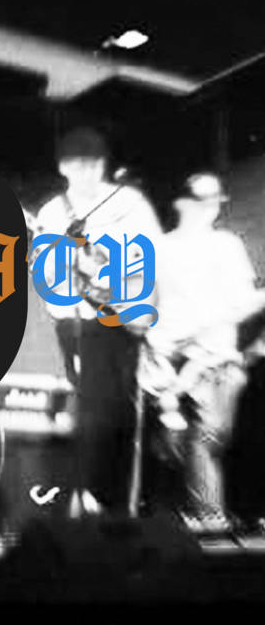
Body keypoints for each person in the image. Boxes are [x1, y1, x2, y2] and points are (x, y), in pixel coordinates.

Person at [31, 126, 163, 516]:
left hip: (126, 321)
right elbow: (48, 279)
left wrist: (104, 274)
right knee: (91, 412)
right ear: (63, 167)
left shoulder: (131, 203)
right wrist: (68, 270)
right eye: (78, 164)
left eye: (94, 164)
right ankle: (91, 501)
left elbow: (153, 261)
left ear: (104, 165)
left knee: (124, 414)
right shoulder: (54, 213)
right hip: (81, 325)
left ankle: (121, 504)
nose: (87, 172)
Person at [138, 172, 265, 531]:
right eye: (201, 199)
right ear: (180, 202)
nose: (211, 207)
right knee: (170, 449)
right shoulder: (159, 248)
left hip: (213, 360)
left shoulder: (226, 245)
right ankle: (186, 527)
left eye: (215, 200)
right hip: (167, 362)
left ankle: (210, 523)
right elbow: (145, 305)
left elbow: (243, 301)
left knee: (203, 442)